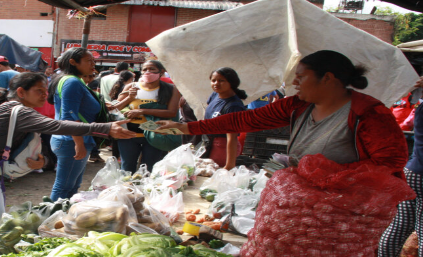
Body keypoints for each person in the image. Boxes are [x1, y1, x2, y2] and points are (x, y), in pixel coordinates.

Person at [157, 50, 408, 174]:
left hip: (350, 204)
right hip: (306, 190)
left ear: (327, 78)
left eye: (300, 77)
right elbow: (247, 119)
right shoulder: (296, 105)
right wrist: (189, 127)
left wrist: (330, 177)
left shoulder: (369, 113)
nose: (294, 83)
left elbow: (390, 164)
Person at [0, 72, 135, 222]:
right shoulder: (17, 110)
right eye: (39, 91)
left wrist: (44, 161)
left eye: (45, 90)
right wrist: (105, 128)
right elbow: (57, 126)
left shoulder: (13, 109)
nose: (44, 95)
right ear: (21, 92)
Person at [378, 76, 423, 257]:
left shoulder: (419, 106)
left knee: (401, 223)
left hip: (412, 171)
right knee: (421, 229)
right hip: (420, 173)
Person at [48, 47, 105, 200]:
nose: (93, 64)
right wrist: (78, 143)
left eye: (93, 60)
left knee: (72, 186)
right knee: (64, 187)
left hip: (71, 139)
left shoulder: (72, 80)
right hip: (71, 140)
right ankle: (52, 218)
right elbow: (69, 116)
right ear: (73, 62)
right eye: (88, 61)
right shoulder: (72, 82)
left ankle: (66, 216)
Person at [114, 60, 181, 173]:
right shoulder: (131, 86)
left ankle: (145, 190)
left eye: (152, 69)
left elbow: (171, 113)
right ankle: (127, 189)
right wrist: (129, 98)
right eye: (145, 69)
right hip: (129, 134)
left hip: (155, 134)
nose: (148, 72)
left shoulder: (172, 89)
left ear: (161, 72)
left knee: (149, 169)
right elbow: (115, 109)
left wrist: (142, 111)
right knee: (127, 168)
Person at [202, 67, 247, 169]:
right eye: (213, 80)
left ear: (232, 82)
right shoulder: (215, 95)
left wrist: (229, 165)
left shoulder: (233, 106)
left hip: (222, 146)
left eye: (221, 80)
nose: (216, 84)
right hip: (208, 142)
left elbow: (232, 138)